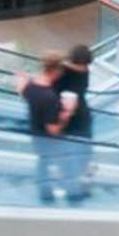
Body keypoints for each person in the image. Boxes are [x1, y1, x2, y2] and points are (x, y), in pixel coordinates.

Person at [15, 53, 74, 202]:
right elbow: (53, 129)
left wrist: (21, 79)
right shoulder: (50, 97)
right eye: (61, 70)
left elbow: (22, 91)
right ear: (55, 71)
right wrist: (66, 114)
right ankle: (52, 194)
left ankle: (46, 191)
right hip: (48, 140)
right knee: (63, 160)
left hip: (35, 133)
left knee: (43, 162)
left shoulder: (31, 85)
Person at [53, 44, 95, 199]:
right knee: (71, 153)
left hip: (79, 117)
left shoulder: (74, 71)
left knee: (79, 153)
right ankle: (71, 185)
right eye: (83, 64)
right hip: (71, 116)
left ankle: (78, 185)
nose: (85, 68)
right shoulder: (66, 72)